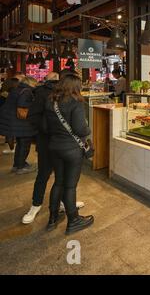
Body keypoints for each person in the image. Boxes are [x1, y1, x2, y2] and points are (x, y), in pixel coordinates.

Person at [23, 72, 85, 224]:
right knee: (44, 175)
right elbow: (33, 117)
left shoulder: (60, 96)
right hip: (49, 143)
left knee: (61, 178)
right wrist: (53, 131)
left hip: (59, 143)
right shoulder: (44, 94)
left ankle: (64, 205)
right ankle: (35, 205)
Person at [44, 74, 94, 234]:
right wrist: (88, 130)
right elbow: (80, 129)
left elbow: (45, 126)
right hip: (72, 149)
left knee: (58, 181)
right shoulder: (76, 103)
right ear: (75, 86)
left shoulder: (50, 101)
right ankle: (73, 220)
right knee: (70, 186)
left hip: (54, 146)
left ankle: (52, 218)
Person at [0, 76, 38, 174]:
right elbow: (22, 106)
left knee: (21, 144)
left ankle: (17, 165)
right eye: (35, 83)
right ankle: (21, 167)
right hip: (21, 122)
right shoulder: (27, 91)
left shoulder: (17, 89)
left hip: (13, 121)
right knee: (24, 144)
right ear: (30, 83)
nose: (36, 85)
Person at [0, 77, 20, 155]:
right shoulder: (13, 93)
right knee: (10, 132)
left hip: (5, 114)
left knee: (8, 132)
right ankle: (11, 148)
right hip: (10, 115)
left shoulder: (3, 93)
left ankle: (10, 147)